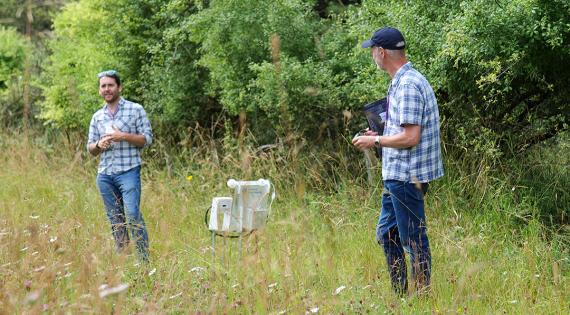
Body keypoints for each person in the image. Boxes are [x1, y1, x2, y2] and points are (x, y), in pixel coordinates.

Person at [352, 27, 444, 295]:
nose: (372, 55)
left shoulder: (408, 85)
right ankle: (401, 296)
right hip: (397, 175)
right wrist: (379, 133)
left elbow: (411, 137)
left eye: (372, 50)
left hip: (407, 176)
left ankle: (422, 299)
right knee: (387, 234)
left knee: (413, 240)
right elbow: (402, 131)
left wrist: (375, 142)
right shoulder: (402, 81)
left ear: (381, 52)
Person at [87, 70, 153, 262]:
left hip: (129, 171)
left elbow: (147, 139)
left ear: (119, 87)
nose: (107, 89)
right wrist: (99, 145)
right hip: (105, 175)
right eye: (103, 86)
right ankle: (123, 261)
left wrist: (122, 136)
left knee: (132, 215)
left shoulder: (136, 109)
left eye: (110, 85)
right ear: (100, 90)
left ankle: (144, 262)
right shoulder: (97, 117)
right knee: (116, 220)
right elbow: (90, 148)